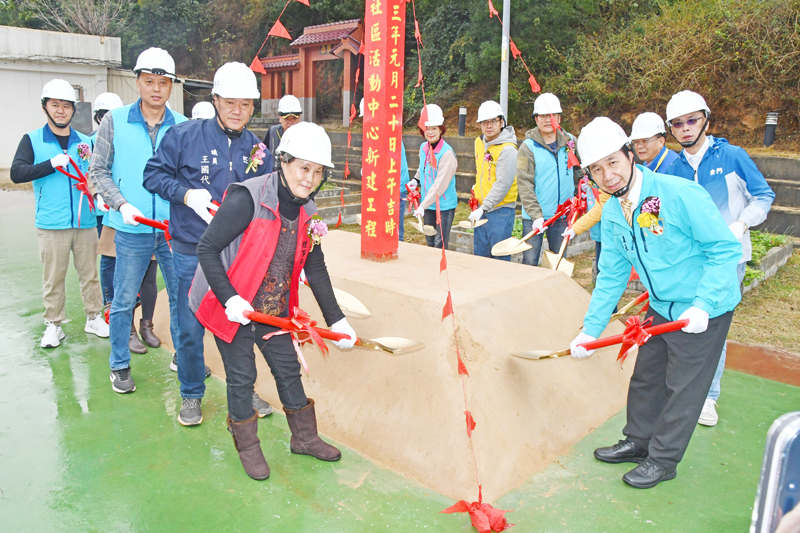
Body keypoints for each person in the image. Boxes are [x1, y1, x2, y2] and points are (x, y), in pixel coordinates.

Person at [570, 117, 742, 489]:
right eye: (597, 169)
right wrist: (590, 329)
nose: (608, 175)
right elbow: (611, 276)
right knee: (647, 376)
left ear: (631, 155)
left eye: (613, 162)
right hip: (661, 306)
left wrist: (704, 304)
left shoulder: (679, 194)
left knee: (684, 386)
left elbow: (725, 249)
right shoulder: (615, 211)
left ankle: (663, 460)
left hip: (701, 311)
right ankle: (638, 441)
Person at [191, 122, 357, 480]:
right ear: (283, 162)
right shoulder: (248, 197)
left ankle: (305, 438)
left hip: (274, 309)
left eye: (317, 172)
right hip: (232, 304)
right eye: (303, 168)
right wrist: (230, 298)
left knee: (287, 370)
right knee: (242, 377)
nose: (310, 179)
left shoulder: (307, 212)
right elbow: (207, 248)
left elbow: (316, 268)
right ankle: (248, 447)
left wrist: (337, 321)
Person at [143, 62, 275, 426]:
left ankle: (243, 389)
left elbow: (268, 199)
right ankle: (191, 393)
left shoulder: (258, 150)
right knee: (188, 325)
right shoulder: (184, 136)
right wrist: (186, 195)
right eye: (230, 102)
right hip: (189, 249)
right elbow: (152, 175)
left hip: (236, 255)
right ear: (215, 100)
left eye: (246, 104)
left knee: (238, 324)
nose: (238, 111)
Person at [664, 90, 775, 427]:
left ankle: (708, 398)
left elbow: (764, 196)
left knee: (713, 326)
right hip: (690, 261)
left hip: (728, 258)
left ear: (706, 120)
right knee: (690, 323)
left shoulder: (732, 156)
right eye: (678, 124)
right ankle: (686, 390)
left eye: (692, 120)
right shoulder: (675, 167)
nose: (685, 128)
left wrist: (741, 223)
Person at [90, 47, 187, 394]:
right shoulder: (113, 121)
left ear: (171, 85)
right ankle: (119, 364)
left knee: (182, 296)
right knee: (123, 298)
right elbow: (97, 171)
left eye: (163, 82)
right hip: (130, 227)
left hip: (173, 230)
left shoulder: (183, 126)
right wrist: (119, 203)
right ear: (138, 82)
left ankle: (184, 358)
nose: (156, 89)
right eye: (149, 81)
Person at [10, 78, 108, 348]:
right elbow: (17, 173)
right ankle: (54, 324)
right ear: (45, 108)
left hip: (85, 221)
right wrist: (50, 164)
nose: (61, 111)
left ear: (73, 110)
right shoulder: (32, 140)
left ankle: (93, 317)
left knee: (90, 274)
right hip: (52, 223)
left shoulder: (85, 142)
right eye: (55, 105)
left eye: (66, 106)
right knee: (53, 277)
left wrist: (98, 197)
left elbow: (95, 175)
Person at [516, 93, 581, 266]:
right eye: (543, 115)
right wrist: (536, 215)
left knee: (558, 261)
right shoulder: (528, 147)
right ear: (536, 119)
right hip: (534, 217)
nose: (547, 120)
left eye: (551, 115)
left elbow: (581, 174)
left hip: (562, 216)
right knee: (529, 261)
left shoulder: (570, 142)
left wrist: (579, 197)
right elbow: (524, 183)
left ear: (559, 117)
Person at [469, 100, 518, 260]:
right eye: (484, 122)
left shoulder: (508, 149)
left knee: (500, 258)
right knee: (481, 257)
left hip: (500, 211)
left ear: (502, 122)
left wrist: (483, 208)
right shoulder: (479, 142)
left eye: (493, 121)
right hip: (481, 208)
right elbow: (480, 172)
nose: (488, 125)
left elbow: (503, 184)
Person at [412, 104, 458, 249]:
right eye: (427, 128)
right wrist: (415, 179)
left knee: (440, 243)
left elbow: (440, 184)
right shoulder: (424, 147)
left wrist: (422, 205)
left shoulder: (447, 154)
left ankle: (441, 271)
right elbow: (423, 167)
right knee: (430, 240)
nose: (430, 132)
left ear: (440, 130)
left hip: (443, 206)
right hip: (428, 203)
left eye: (434, 128)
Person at [263, 95, 302, 168]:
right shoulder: (272, 132)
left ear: (299, 118)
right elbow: (263, 155)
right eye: (286, 118)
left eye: (294, 118)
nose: (290, 122)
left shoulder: (306, 135)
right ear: (280, 118)